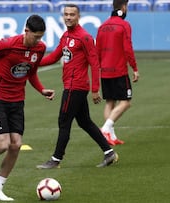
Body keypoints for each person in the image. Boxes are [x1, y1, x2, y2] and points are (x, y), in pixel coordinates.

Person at [0, 15, 55, 201]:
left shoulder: (40, 48)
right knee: (3, 144)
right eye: (35, 36)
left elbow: (31, 74)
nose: (38, 41)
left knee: (16, 145)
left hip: (17, 100)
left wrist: (41, 90)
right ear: (26, 31)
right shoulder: (8, 44)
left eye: (41, 37)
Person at [36, 4, 118, 170]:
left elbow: (94, 64)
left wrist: (95, 89)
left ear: (78, 16)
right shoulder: (66, 36)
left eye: (72, 14)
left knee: (64, 121)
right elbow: (53, 57)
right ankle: (109, 152)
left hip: (76, 86)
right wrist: (33, 63)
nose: (68, 17)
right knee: (85, 122)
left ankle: (56, 159)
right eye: (66, 14)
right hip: (72, 85)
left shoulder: (84, 37)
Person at [96, 0, 139, 146]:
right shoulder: (124, 25)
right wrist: (135, 68)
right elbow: (128, 48)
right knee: (126, 102)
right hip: (119, 70)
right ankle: (105, 129)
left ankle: (111, 137)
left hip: (105, 71)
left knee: (110, 102)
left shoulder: (102, 26)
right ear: (124, 7)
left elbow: (98, 50)